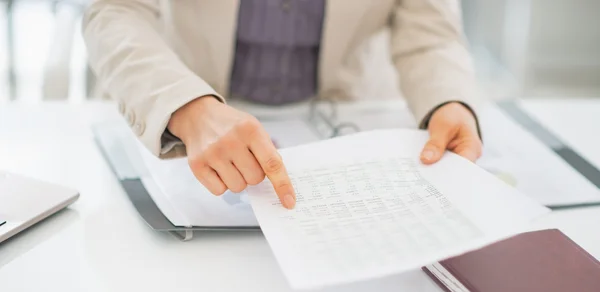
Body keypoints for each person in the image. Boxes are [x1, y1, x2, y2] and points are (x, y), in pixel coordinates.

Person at [83, 0, 482, 210]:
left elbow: (430, 35)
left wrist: (448, 99)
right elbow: (116, 11)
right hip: (186, 103)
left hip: (338, 113)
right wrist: (187, 105)